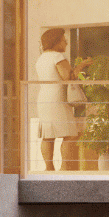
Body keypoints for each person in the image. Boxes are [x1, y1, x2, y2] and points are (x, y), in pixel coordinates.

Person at [33, 28, 79, 172]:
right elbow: (68, 77)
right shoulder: (57, 56)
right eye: (63, 40)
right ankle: (64, 167)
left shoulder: (41, 58)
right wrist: (82, 66)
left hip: (44, 98)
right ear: (56, 41)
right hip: (57, 99)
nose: (66, 43)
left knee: (48, 135)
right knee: (71, 134)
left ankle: (49, 168)